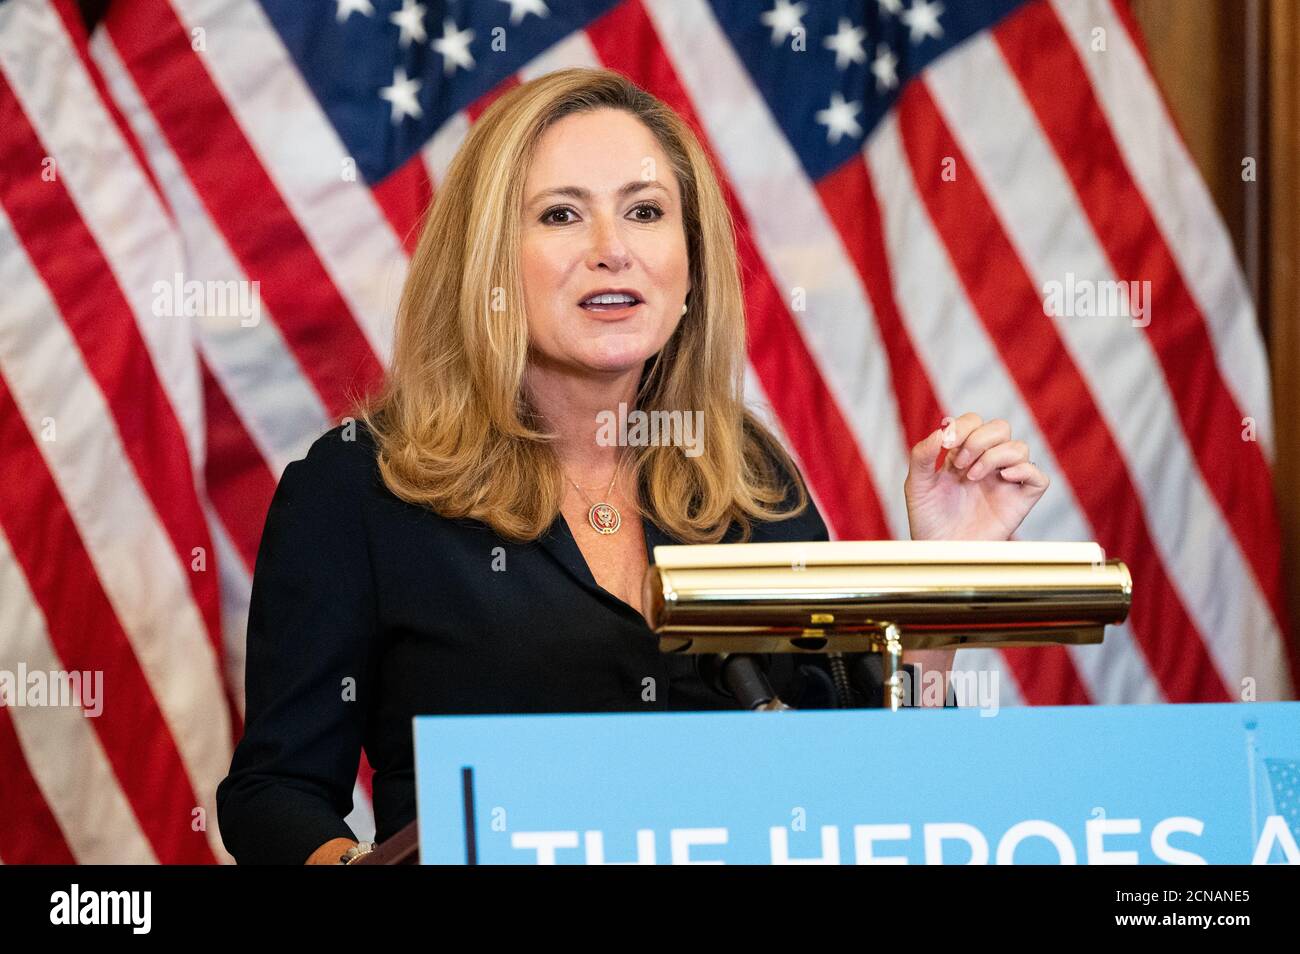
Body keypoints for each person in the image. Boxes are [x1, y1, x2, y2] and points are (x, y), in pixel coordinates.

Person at [215, 68, 1050, 865]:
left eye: (646, 212)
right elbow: (275, 791)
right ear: (486, 264)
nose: (613, 250)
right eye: (560, 216)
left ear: (689, 270)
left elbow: (860, 787)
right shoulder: (362, 485)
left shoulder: (749, 481)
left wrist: (943, 588)